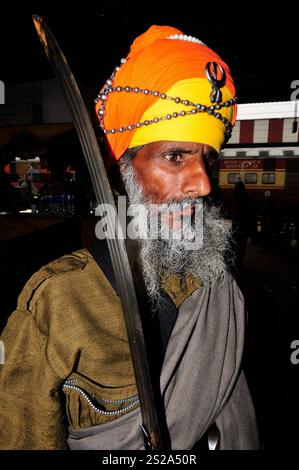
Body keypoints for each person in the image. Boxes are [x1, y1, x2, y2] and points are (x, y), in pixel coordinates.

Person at [0, 25, 259, 450]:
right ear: (122, 167)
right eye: (175, 156)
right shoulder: (58, 301)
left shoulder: (220, 285)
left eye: (207, 160)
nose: (203, 184)